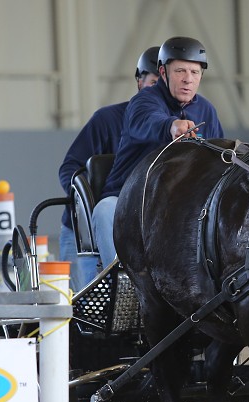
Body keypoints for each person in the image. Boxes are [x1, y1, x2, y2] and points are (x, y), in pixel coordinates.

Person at [92, 36, 225, 270]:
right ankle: (119, 279)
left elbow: (219, 156)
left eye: (195, 72)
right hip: (130, 201)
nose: (188, 79)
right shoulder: (143, 102)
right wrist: (171, 126)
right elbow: (147, 120)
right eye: (180, 71)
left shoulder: (206, 110)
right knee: (104, 210)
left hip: (179, 205)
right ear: (163, 73)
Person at [57, 46, 160, 290]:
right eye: (154, 83)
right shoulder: (107, 120)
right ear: (139, 82)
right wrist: (91, 209)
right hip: (85, 235)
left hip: (139, 231)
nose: (158, 92)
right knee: (81, 310)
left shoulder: (172, 127)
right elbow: (69, 169)